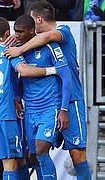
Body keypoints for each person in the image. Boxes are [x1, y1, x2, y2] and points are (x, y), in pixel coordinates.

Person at [0, 17, 62, 180]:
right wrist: (53, 70)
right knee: (10, 163)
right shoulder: (9, 52)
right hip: (4, 117)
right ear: (7, 33)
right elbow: (25, 70)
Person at [4, 1, 92, 180]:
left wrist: (19, 48)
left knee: (77, 154)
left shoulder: (63, 32)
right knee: (35, 153)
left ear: (38, 19)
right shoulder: (33, 44)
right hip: (47, 104)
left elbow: (46, 37)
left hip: (71, 100)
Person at [13, 14, 72, 180]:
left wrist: (64, 109)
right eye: (15, 31)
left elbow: (66, 77)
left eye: (20, 31)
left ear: (32, 31)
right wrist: (17, 99)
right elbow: (20, 78)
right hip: (30, 110)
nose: (17, 35)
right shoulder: (19, 50)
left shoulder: (50, 46)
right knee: (33, 155)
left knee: (40, 149)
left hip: (50, 107)